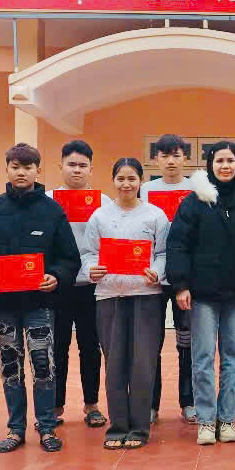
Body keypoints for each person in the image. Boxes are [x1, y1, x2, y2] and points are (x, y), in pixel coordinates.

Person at [0, 143, 81, 454]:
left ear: (37, 170)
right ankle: (15, 428)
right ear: (7, 169)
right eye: (15, 167)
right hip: (2, 304)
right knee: (10, 365)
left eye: (27, 167)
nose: (21, 173)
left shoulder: (52, 211)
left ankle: (46, 427)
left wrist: (56, 276)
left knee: (43, 364)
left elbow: (69, 257)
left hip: (40, 304)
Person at [167, 141, 235, 445]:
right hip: (203, 294)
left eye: (231, 161)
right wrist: (181, 285)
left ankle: (226, 419)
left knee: (234, 357)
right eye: (220, 161)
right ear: (210, 164)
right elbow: (178, 245)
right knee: (201, 357)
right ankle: (205, 420)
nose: (225, 166)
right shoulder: (194, 202)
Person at [83, 158, 169, 449]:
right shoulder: (100, 216)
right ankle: (118, 426)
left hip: (146, 296)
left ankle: (140, 428)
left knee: (143, 363)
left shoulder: (155, 215)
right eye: (120, 178)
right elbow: (89, 253)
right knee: (115, 362)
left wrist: (157, 271)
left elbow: (163, 253)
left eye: (132, 178)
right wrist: (92, 269)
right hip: (109, 296)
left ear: (141, 181)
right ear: (113, 181)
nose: (126, 184)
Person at [49, 139, 109, 430]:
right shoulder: (47, 201)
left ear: (91, 169)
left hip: (91, 286)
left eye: (82, 165)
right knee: (57, 347)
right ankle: (55, 406)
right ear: (60, 166)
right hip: (57, 286)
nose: (76, 170)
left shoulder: (104, 202)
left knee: (90, 347)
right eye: (71, 164)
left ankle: (92, 405)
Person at [139, 134, 195, 424]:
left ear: (186, 158)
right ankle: (151, 404)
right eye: (165, 155)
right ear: (156, 160)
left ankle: (189, 401)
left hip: (186, 278)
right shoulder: (145, 190)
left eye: (176, 155)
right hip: (153, 278)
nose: (171, 161)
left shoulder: (196, 189)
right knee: (153, 342)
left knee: (187, 341)